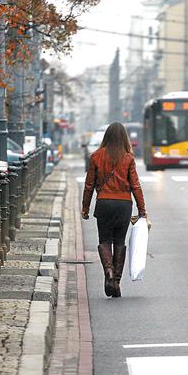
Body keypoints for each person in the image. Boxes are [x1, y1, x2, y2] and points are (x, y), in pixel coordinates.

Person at [81, 122, 147, 298]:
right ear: (124, 138)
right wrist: (142, 212)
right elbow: (136, 186)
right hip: (123, 205)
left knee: (104, 240)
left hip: (104, 204)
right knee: (120, 242)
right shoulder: (128, 158)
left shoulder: (96, 156)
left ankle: (108, 271)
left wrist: (85, 208)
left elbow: (89, 185)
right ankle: (116, 281)